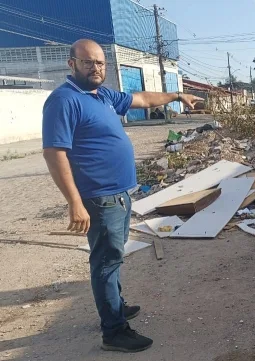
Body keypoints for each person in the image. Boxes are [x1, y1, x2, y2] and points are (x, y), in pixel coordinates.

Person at [41, 39, 202, 353]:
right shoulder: (64, 100)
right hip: (99, 198)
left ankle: (114, 306)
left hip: (118, 194)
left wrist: (177, 95)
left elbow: (140, 98)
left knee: (112, 259)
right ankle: (113, 331)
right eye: (88, 62)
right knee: (106, 261)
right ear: (71, 64)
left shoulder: (101, 95)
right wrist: (74, 202)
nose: (96, 68)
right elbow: (54, 152)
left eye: (100, 63)